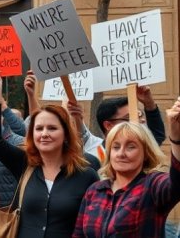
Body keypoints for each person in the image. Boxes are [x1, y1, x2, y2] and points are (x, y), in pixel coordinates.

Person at [0, 66, 99, 238]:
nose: (44, 134)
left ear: (66, 134)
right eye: (39, 129)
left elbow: (94, 223)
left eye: (52, 128)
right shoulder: (24, 163)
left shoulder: (86, 174)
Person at [73, 96, 180, 237]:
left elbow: (177, 182)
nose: (121, 153)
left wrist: (176, 138)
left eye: (131, 147)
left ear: (146, 153)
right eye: (116, 147)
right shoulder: (94, 191)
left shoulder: (153, 186)